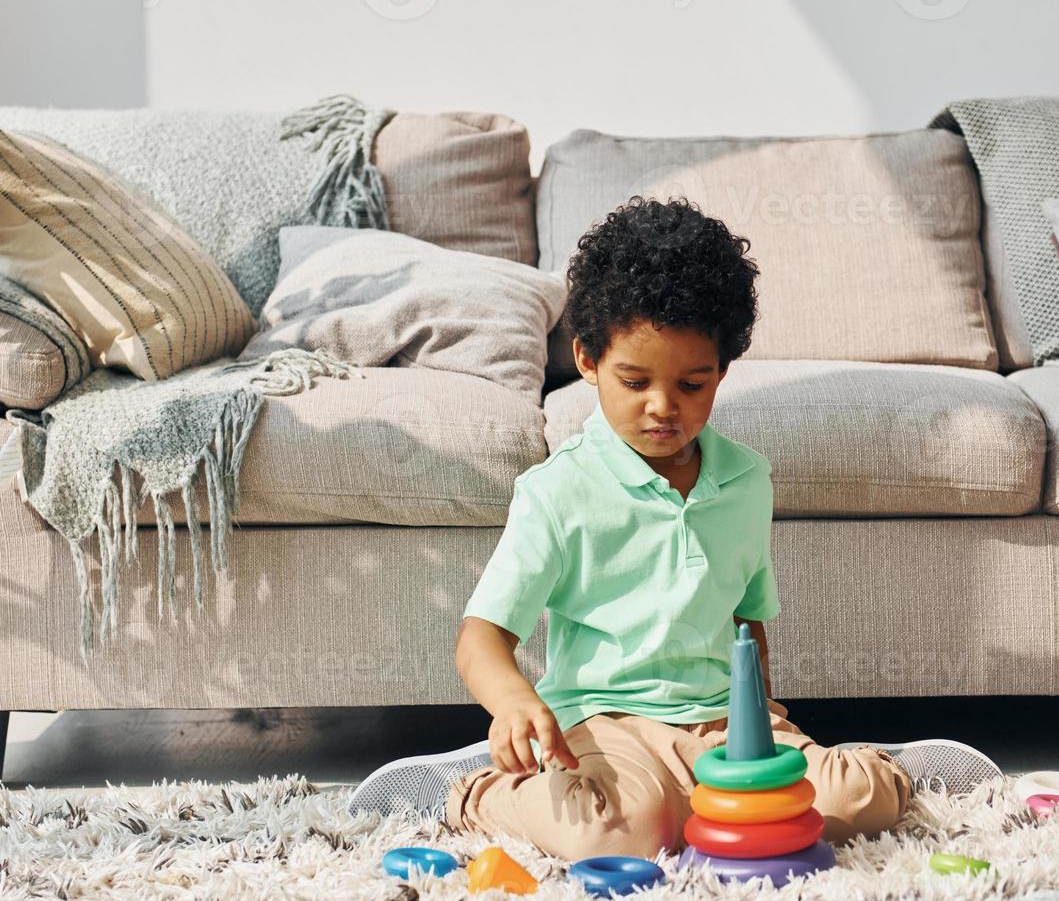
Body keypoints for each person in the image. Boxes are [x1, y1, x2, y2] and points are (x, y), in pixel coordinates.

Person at [348, 196, 1000, 859]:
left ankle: (884, 770)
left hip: (724, 722)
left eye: (693, 384)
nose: (664, 408)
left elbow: (748, 624)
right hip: (604, 725)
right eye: (635, 381)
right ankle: (477, 794)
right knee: (618, 833)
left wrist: (768, 730)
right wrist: (513, 703)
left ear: (722, 371)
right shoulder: (558, 492)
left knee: (845, 804)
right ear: (587, 360)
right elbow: (480, 639)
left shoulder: (746, 482)